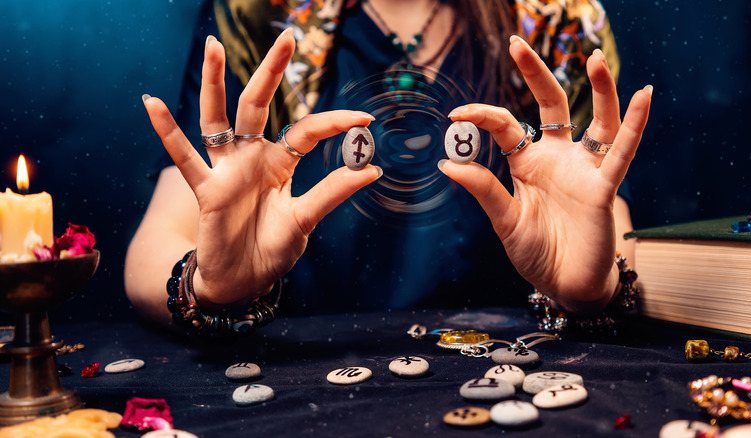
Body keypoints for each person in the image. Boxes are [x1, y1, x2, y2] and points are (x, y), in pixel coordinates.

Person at [125, 0, 651, 333]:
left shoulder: (559, 20)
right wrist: (208, 286)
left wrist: (591, 289)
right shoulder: (259, 14)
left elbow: (612, 239)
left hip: (507, 368)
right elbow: (156, 248)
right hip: (301, 375)